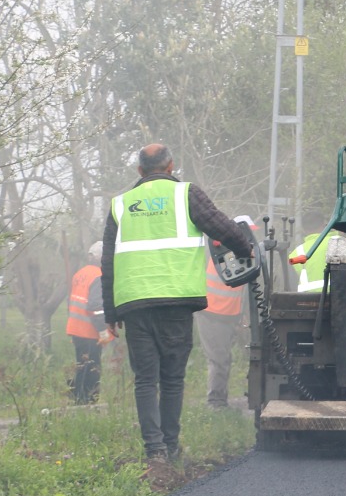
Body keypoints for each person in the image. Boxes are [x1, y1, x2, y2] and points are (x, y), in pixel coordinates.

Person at [101, 143, 255, 473]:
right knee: (172, 379)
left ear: (140, 171)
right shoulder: (186, 195)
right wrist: (246, 249)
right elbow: (223, 227)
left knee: (145, 380)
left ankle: (154, 452)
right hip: (175, 302)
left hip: (134, 304)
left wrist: (110, 315)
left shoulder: (121, 205)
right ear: (171, 166)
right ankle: (170, 447)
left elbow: (107, 262)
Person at [195, 216, 259, 409]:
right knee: (219, 359)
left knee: (223, 358)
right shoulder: (220, 250)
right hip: (211, 312)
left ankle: (218, 400)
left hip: (227, 315)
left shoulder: (242, 253)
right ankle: (216, 403)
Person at [64, 241, 109, 404]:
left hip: (76, 329)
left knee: (82, 365)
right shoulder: (99, 275)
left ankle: (77, 397)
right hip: (89, 330)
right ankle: (88, 402)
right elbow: (95, 305)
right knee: (93, 367)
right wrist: (102, 330)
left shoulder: (79, 274)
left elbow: (72, 302)